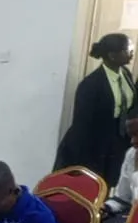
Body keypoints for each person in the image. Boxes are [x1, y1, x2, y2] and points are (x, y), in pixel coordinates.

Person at [56, 33, 135, 187]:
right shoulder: (91, 85)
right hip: (95, 144)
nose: (132, 53)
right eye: (128, 50)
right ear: (112, 55)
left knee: (115, 184)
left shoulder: (126, 74)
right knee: (95, 186)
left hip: (118, 141)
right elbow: (82, 125)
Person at [90, 117, 138, 223]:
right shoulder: (131, 154)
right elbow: (122, 199)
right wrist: (105, 207)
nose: (132, 141)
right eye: (131, 135)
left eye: (137, 134)